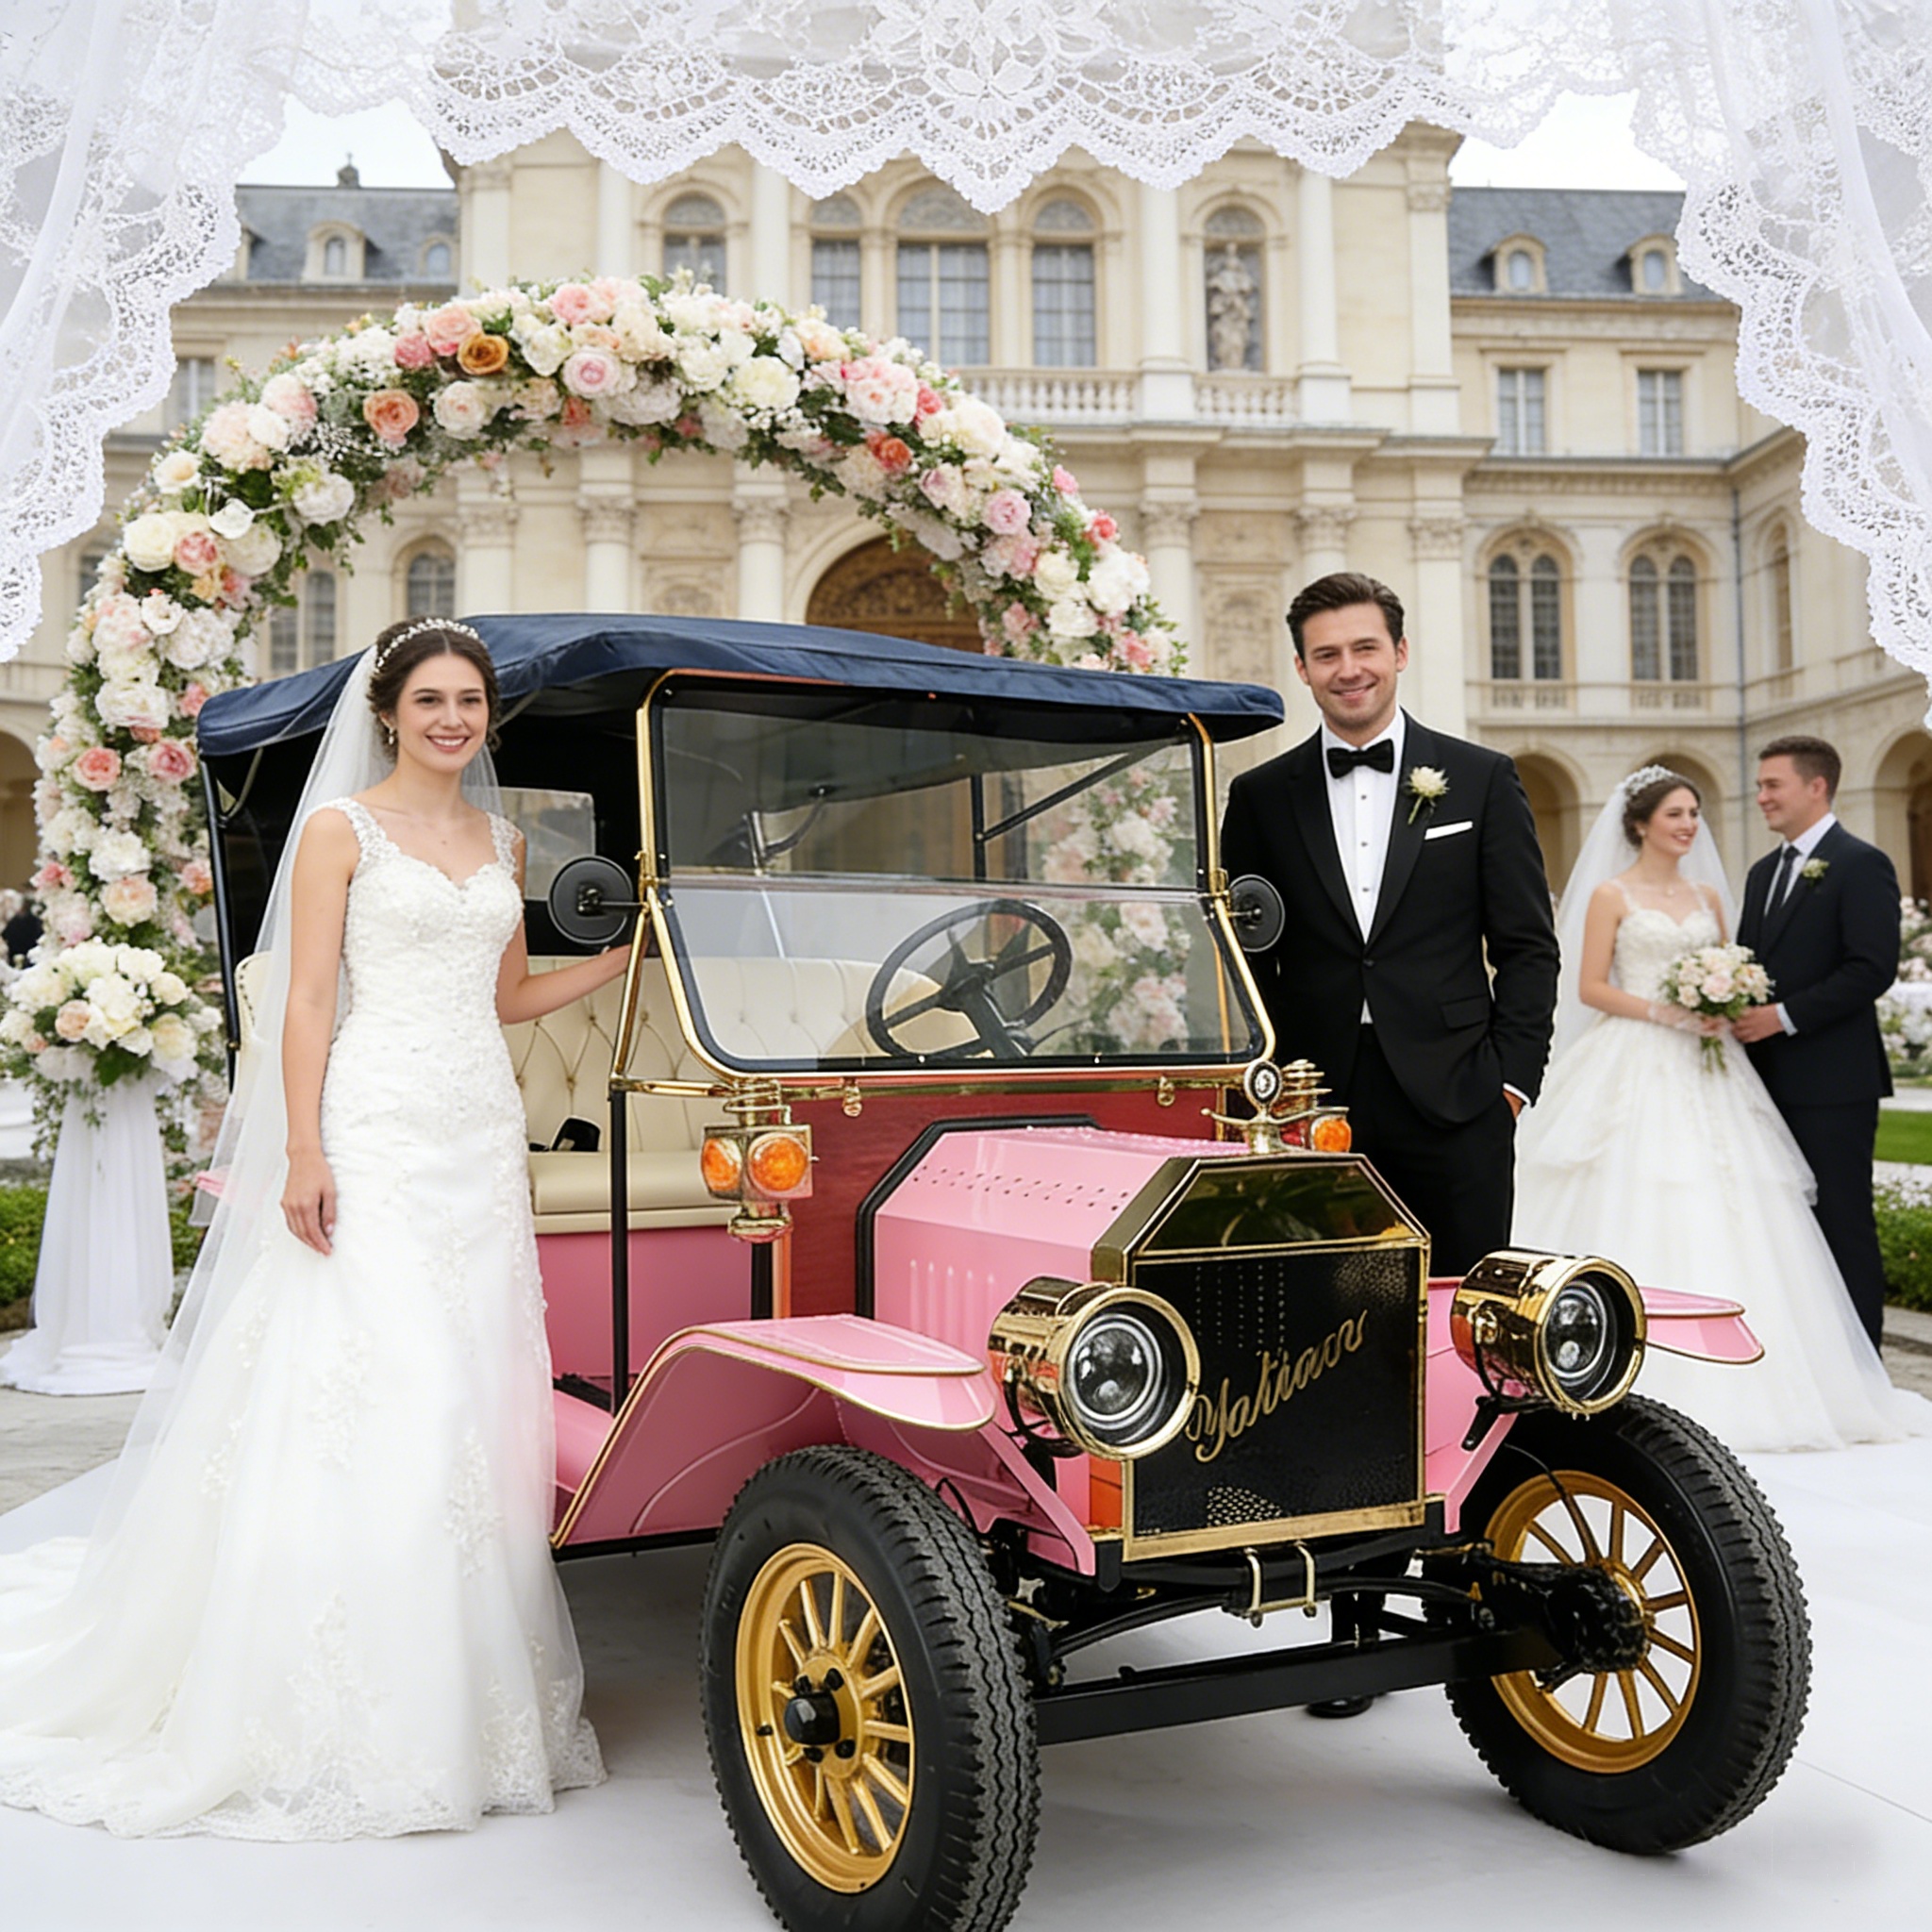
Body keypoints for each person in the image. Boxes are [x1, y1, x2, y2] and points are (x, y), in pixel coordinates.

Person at [0, 618, 628, 1837]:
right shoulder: (342, 831)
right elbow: (307, 998)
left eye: (471, 702)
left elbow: (505, 998)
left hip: (473, 1135)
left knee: (464, 1394)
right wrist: (303, 1147)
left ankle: (461, 1678)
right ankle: (333, 1693)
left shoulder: (502, 838)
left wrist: (620, 962)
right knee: (375, 1383)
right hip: (375, 1123)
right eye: (432, 699)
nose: (453, 718)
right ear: (389, 711)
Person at [1513, 764, 1924, 1451]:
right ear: (1641, 823)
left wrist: (1722, 997)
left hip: (1714, 1068)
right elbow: (1588, 986)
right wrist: (1664, 1011)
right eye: (1675, 814)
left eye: (1694, 814)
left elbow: (1739, 965)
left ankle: (1779, 1381)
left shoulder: (1711, 891)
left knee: (1747, 1208)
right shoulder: (1611, 894)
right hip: (1635, 1057)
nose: (1689, 826)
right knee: (1639, 1192)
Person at [1221, 571, 1559, 1278]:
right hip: (1314, 1103)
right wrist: (1271, 1080)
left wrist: (1511, 1086)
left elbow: (1527, 946)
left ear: (1400, 652)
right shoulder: (1259, 798)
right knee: (1323, 1309)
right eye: (1327, 655)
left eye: (1365, 648)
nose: (1349, 670)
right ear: (1302, 670)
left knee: (1462, 1309)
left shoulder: (1481, 779)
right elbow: (1245, 959)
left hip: (1461, 1099)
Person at [1732, 736, 1899, 1353]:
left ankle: (1864, 1362)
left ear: (1816, 787)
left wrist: (1783, 1018)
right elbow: (1750, 963)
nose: (1762, 797)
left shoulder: (1861, 863)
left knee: (1842, 1221)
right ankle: (1808, 1360)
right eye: (1759, 786)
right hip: (1761, 1083)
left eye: (1773, 785)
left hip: (1833, 1084)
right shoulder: (1762, 873)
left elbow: (1872, 966)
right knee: (1785, 1230)